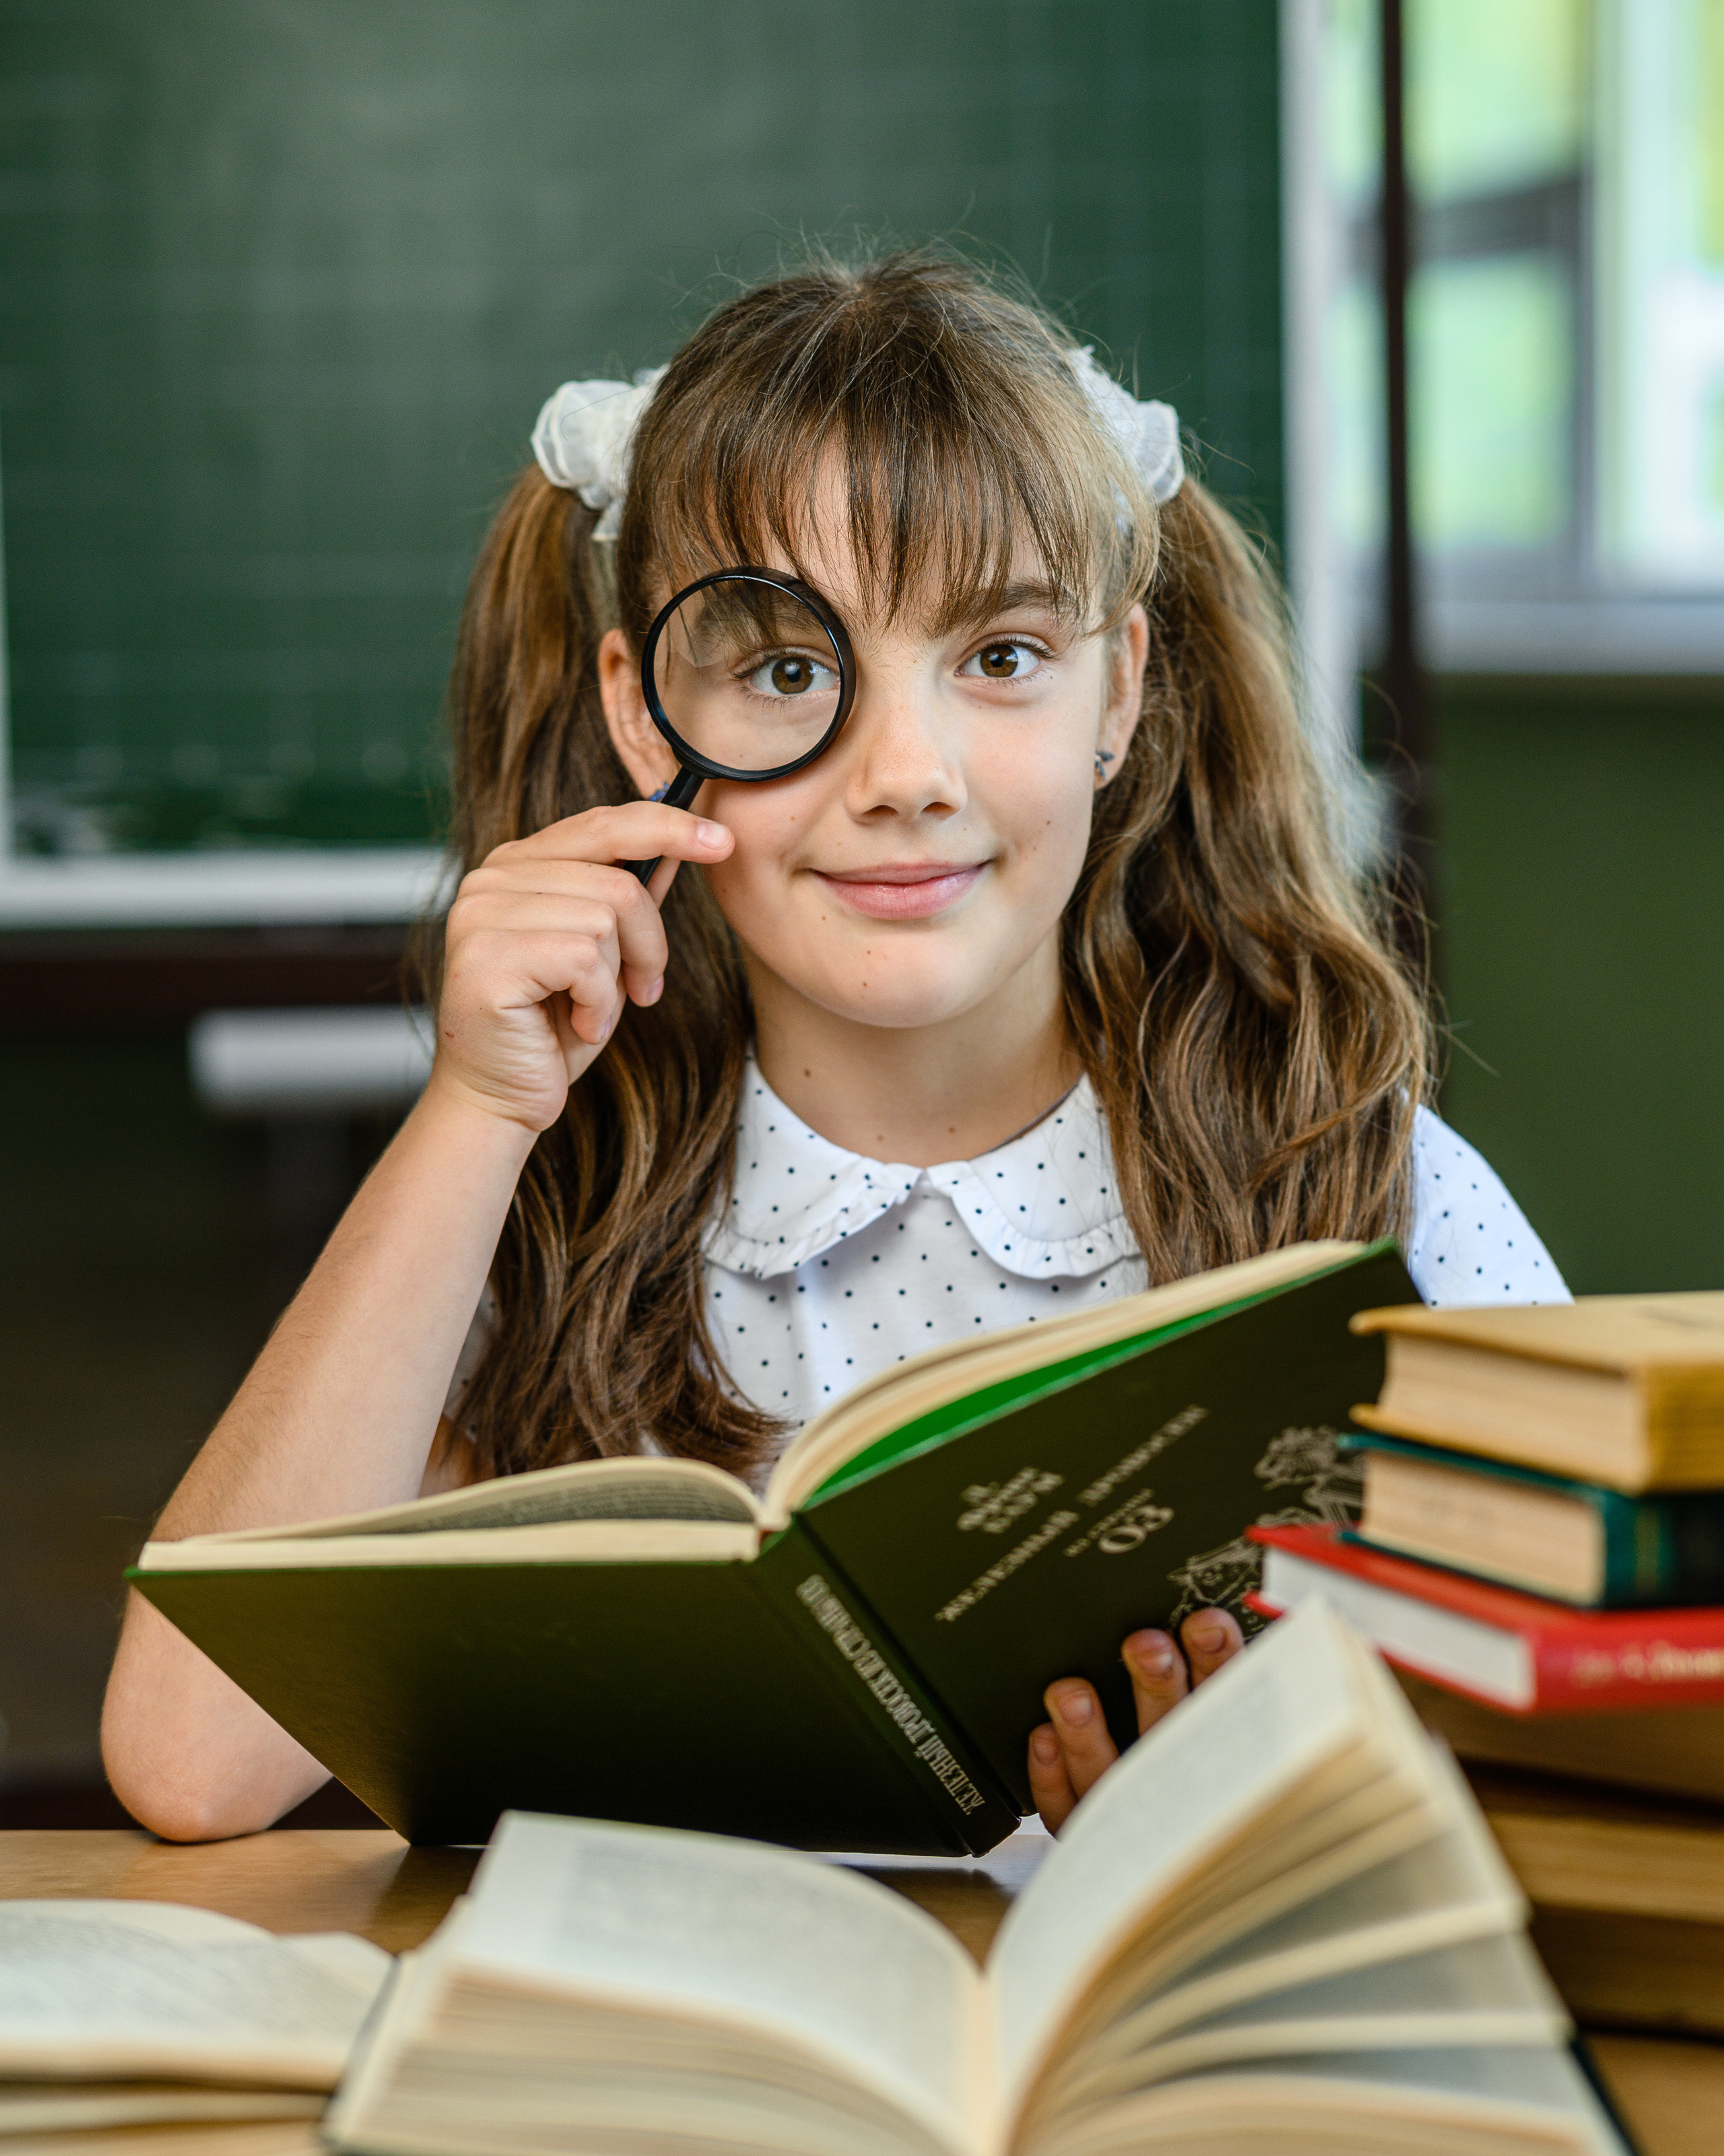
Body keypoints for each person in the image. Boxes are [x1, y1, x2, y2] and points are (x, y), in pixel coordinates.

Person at [102, 251, 1565, 1842]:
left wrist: (1293, 1797)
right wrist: (473, 1110)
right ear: (647, 712)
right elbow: (191, 1760)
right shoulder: (540, 1200)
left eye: (998, 656)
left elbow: (1599, 1725)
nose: (903, 773)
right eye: (791, 671)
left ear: (1119, 688)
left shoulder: (1360, 1180)